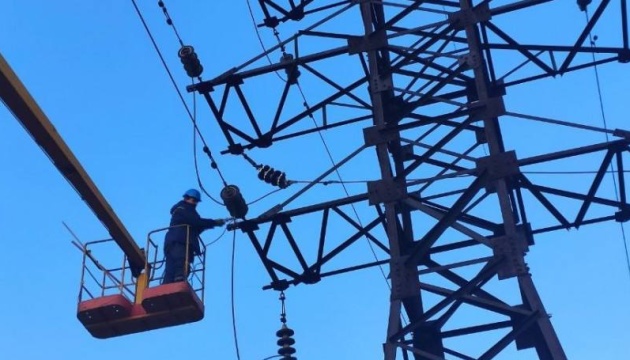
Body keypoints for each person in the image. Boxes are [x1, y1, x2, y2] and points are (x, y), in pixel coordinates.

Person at [162, 188, 225, 284]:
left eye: (196, 201)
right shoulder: (183, 208)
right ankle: (177, 280)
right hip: (180, 241)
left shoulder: (184, 210)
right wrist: (214, 222)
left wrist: (210, 224)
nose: (195, 203)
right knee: (180, 262)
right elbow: (195, 222)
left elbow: (196, 227)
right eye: (193, 200)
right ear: (186, 198)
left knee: (173, 266)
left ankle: (167, 285)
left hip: (174, 241)